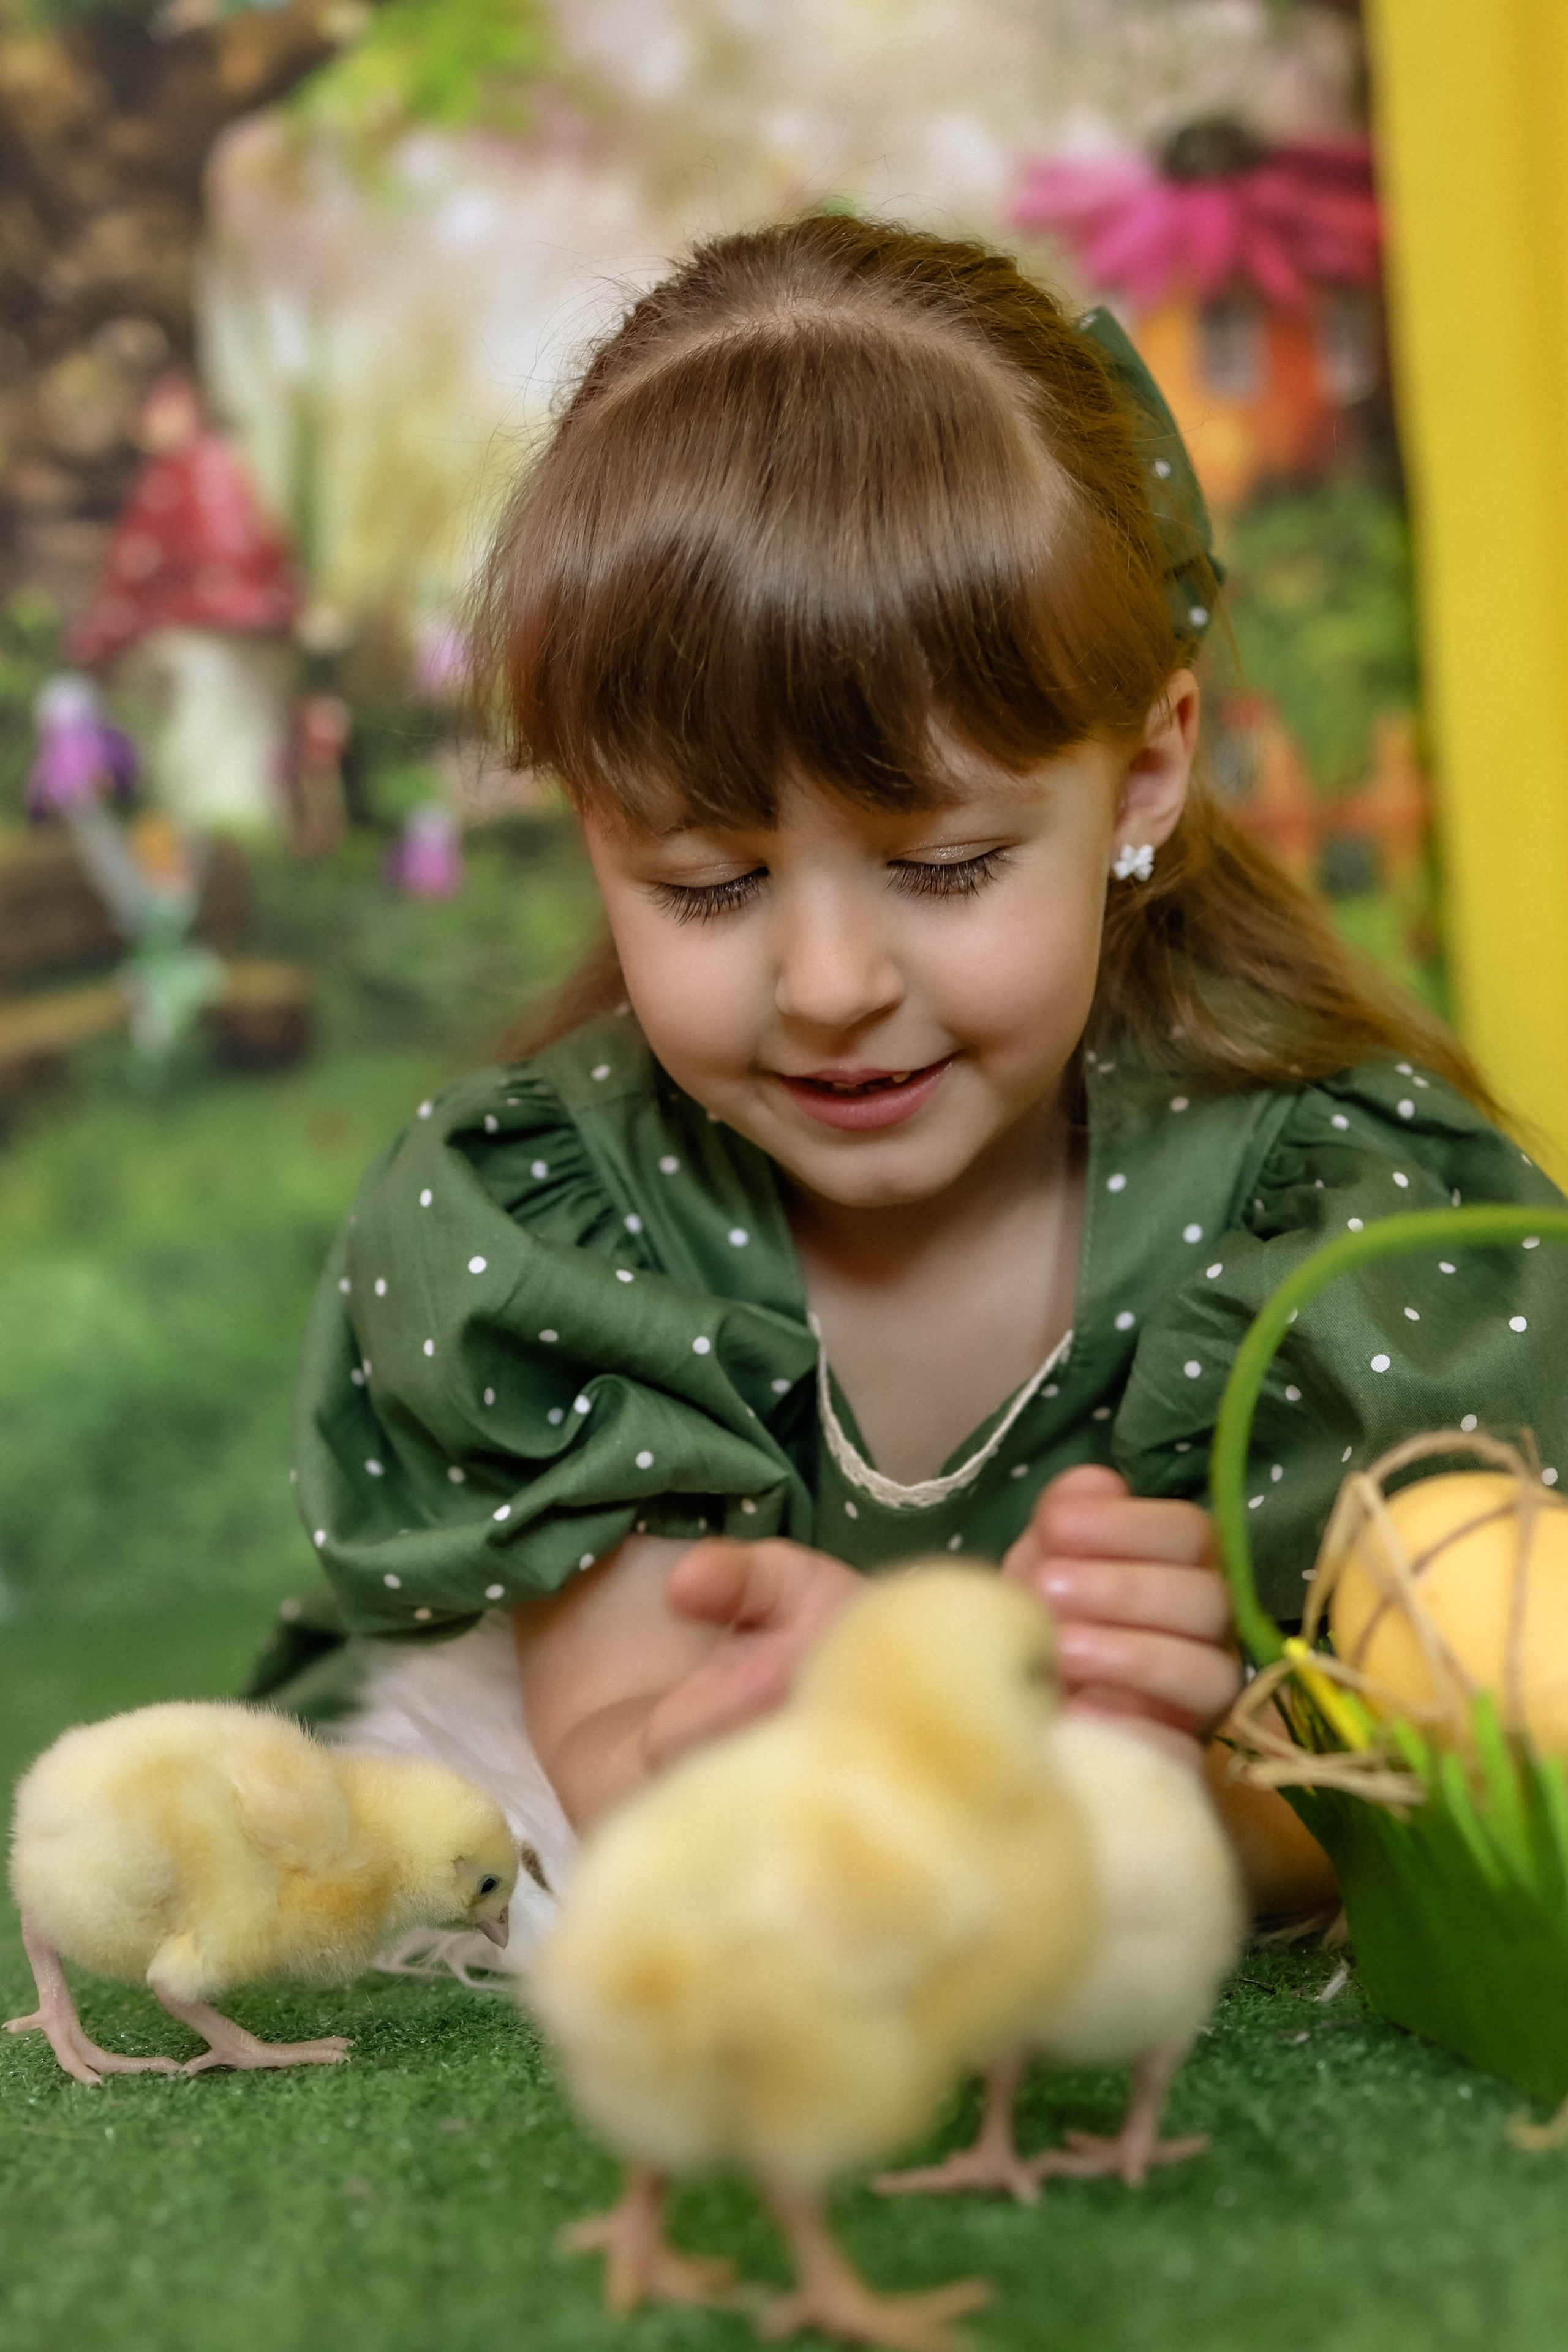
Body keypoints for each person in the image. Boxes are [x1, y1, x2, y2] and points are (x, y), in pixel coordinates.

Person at [276, 216, 1567, 1949]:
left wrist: (1176, 1791)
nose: (827, 988)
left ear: (1145, 773)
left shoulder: (1338, 1218)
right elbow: (617, 1773)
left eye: (946, 864)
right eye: (707, 886)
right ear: (592, 825)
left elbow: (1442, 1787)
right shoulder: (558, 1223)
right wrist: (796, 1738)